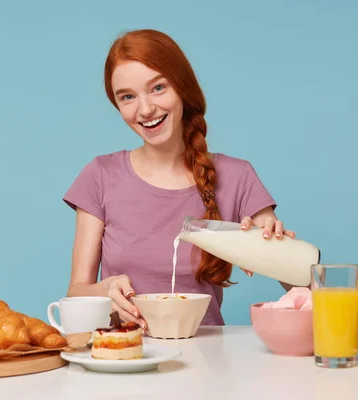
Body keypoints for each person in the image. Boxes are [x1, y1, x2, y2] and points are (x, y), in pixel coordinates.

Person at [63, 29, 297, 330]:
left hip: (208, 363)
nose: (145, 109)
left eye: (158, 88)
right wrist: (104, 292)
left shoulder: (237, 177)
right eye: (128, 97)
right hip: (123, 360)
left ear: (182, 87)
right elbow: (76, 293)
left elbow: (303, 288)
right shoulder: (100, 175)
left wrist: (276, 250)